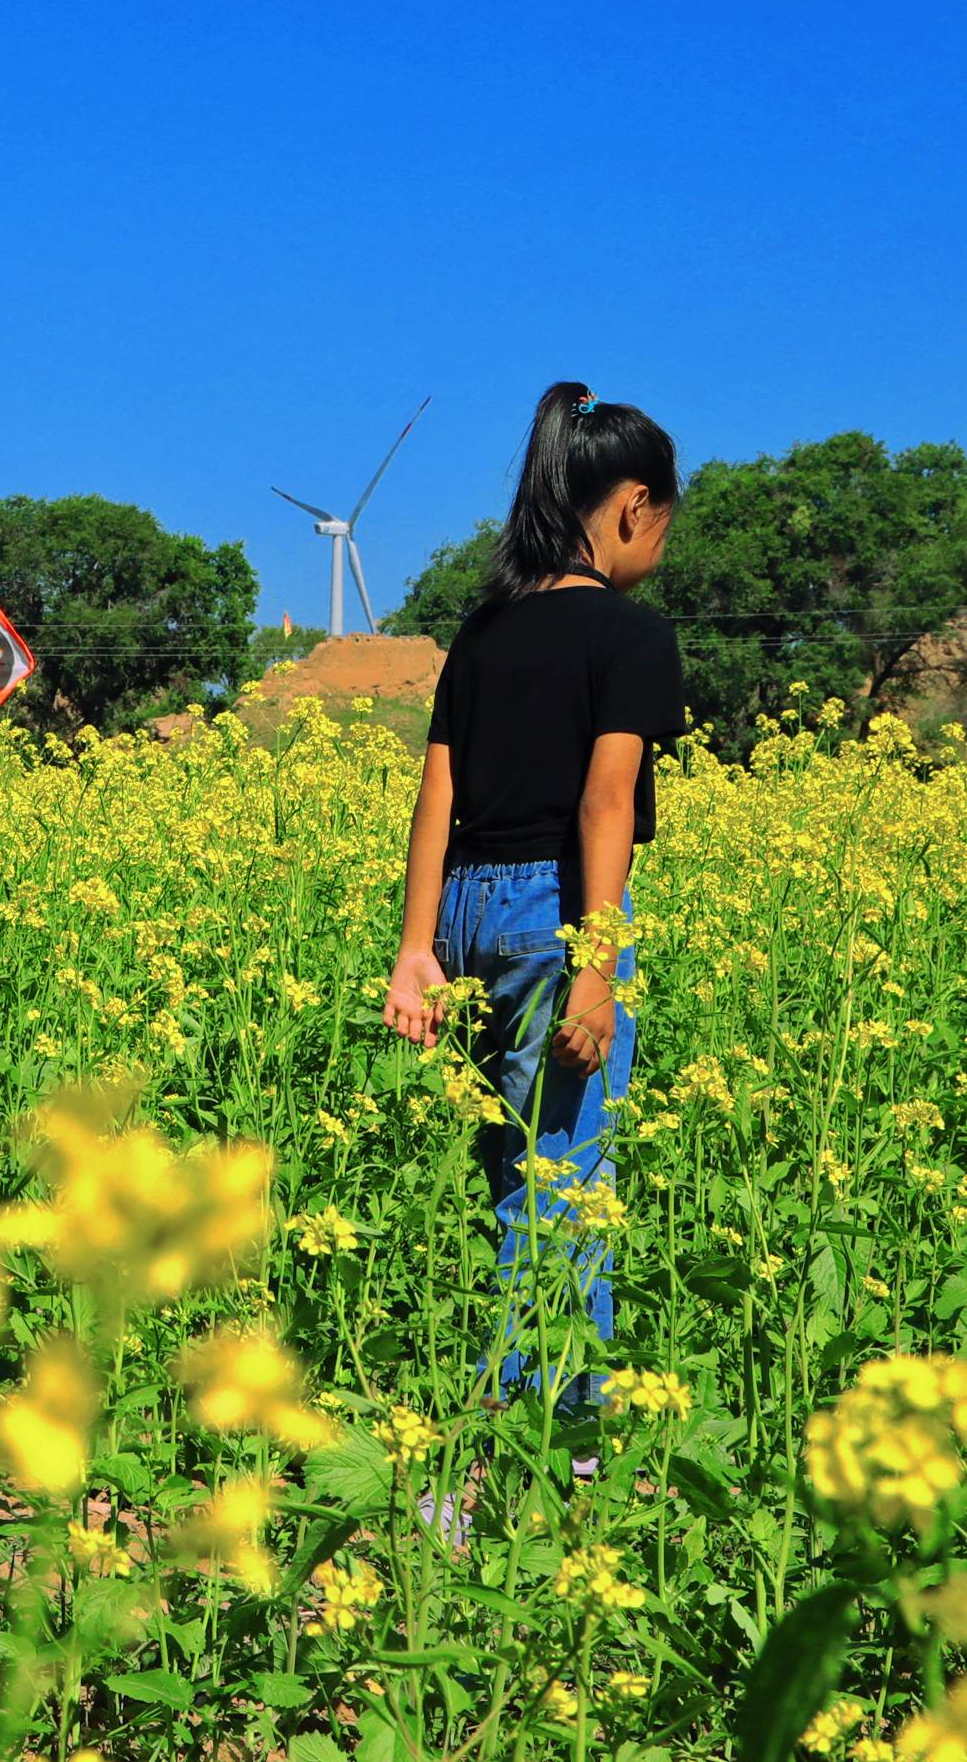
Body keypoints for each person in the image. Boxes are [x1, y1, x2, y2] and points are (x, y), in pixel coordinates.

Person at [384, 383, 684, 1406]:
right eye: (663, 524)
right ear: (632, 505)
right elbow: (605, 805)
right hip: (554, 913)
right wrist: (593, 972)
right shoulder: (631, 637)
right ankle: (549, 1429)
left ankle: (500, 1407)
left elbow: (438, 793)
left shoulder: (483, 630)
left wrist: (413, 949)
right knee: (562, 1180)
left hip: (465, 912)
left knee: (506, 1172)